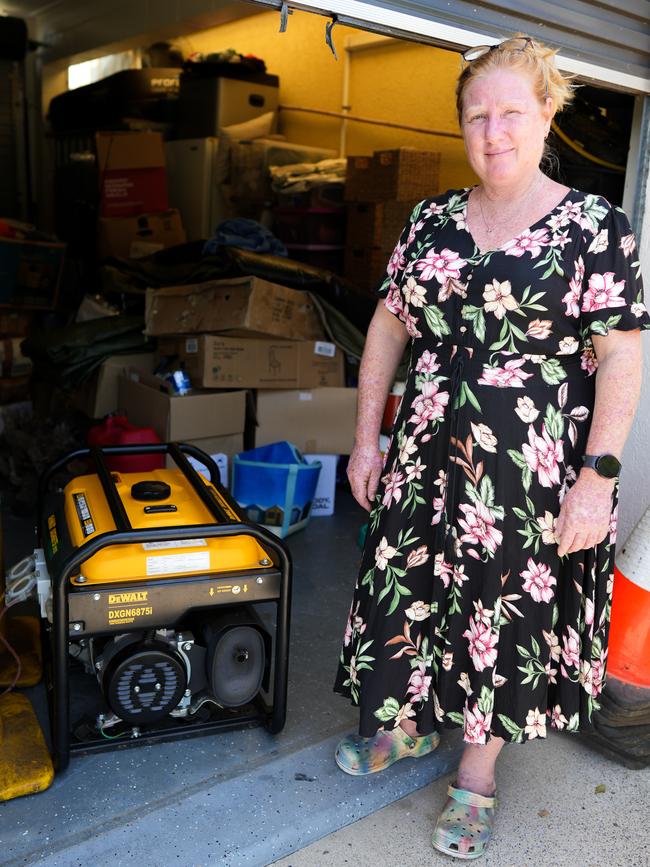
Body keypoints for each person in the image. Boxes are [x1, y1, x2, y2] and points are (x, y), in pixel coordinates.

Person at [333, 35, 650, 860]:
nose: (494, 130)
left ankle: (475, 775)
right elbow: (388, 325)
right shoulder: (431, 220)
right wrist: (367, 438)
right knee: (407, 596)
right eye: (478, 114)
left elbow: (622, 353)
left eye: (513, 111)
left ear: (549, 114)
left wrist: (597, 476)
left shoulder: (593, 226)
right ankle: (405, 728)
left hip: (529, 475)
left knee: (497, 617)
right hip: (424, 459)